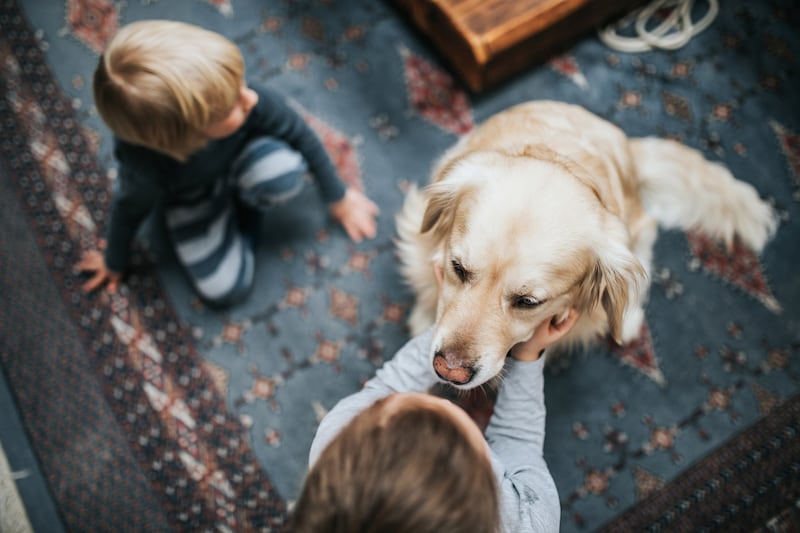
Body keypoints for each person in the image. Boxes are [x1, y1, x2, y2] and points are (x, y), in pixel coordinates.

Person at [78, 20, 379, 306]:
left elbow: (301, 134)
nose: (249, 98)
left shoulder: (250, 101)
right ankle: (236, 215)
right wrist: (114, 261)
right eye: (232, 104)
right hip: (192, 196)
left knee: (285, 173)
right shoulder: (145, 169)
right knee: (224, 289)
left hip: (246, 154)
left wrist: (339, 198)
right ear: (188, 136)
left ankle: (243, 203)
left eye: (240, 84)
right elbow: (127, 210)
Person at [292, 310, 579, 533]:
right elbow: (518, 442)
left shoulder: (337, 439)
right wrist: (527, 355)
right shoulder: (531, 519)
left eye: (397, 403)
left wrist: (450, 317)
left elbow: (390, 384)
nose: (443, 397)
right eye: (456, 416)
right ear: (492, 491)